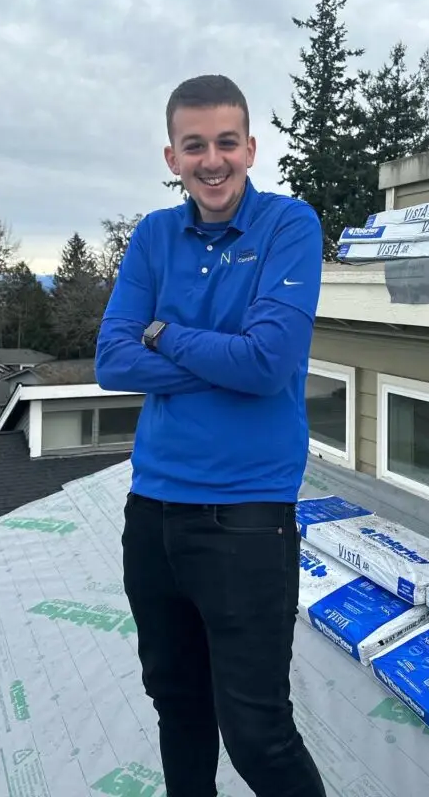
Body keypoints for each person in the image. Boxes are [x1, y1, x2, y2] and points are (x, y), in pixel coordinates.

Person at [95, 74, 327, 797]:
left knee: (258, 734)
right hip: (153, 514)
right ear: (172, 157)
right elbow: (111, 358)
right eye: (194, 146)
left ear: (251, 148)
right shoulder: (155, 235)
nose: (212, 160)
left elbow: (267, 363)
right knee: (178, 708)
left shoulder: (288, 226)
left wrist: (163, 334)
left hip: (246, 522)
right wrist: (228, 359)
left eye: (227, 142)